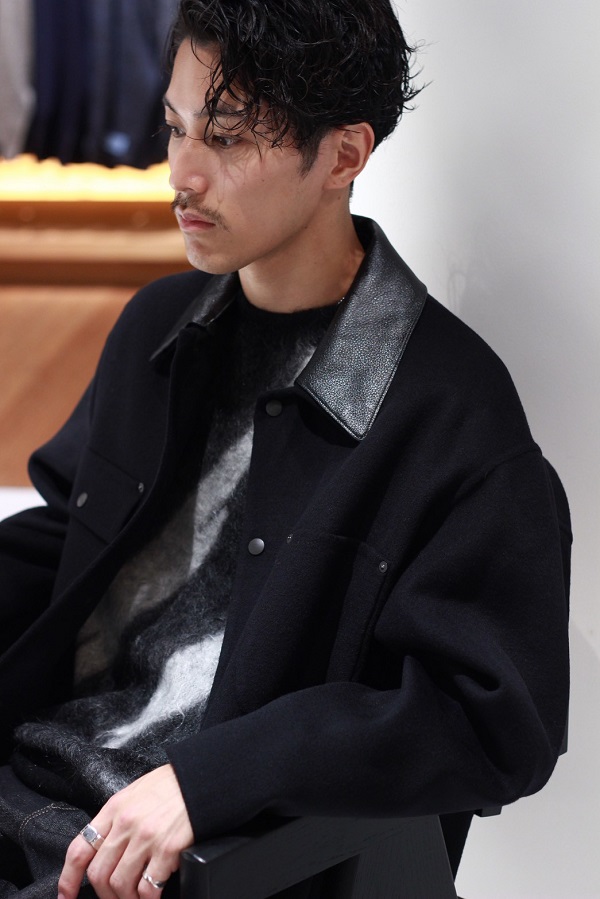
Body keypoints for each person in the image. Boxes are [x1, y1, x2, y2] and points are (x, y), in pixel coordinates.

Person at [0, 0, 571, 896]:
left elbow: (495, 719)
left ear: (343, 156)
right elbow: (69, 541)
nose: (180, 174)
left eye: (226, 139)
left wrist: (214, 778)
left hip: (175, 864)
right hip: (32, 784)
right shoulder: (160, 327)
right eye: (174, 127)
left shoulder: (448, 409)